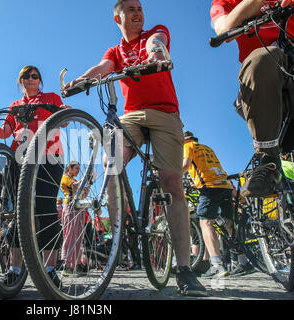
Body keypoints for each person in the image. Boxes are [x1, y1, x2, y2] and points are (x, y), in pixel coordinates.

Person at [64, 0, 206, 296]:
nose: (137, 12)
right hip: (132, 116)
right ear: (117, 17)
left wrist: (156, 53)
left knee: (171, 184)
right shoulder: (115, 51)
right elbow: (103, 67)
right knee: (110, 163)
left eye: (139, 7)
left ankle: (184, 268)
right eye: (130, 8)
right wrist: (81, 80)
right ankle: (118, 233)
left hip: (165, 113)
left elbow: (158, 42)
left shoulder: (155, 31)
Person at [0, 65, 68, 286]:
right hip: (20, 159)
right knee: (19, 213)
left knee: (46, 209)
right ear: (20, 81)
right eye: (26, 76)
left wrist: (64, 110)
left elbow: (65, 120)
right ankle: (14, 268)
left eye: (35, 76)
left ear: (39, 80)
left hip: (49, 157)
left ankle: (50, 269)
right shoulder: (15, 106)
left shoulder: (50, 97)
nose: (31, 79)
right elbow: (5, 133)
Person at [210, 0, 294, 198]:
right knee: (260, 59)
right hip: (267, 77)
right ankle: (269, 160)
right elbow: (223, 28)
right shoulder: (223, 2)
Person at [183, 130, 254, 278]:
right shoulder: (208, 148)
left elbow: (185, 165)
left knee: (206, 223)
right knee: (229, 225)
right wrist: (236, 194)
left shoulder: (187, 147)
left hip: (209, 187)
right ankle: (244, 262)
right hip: (225, 186)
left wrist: (173, 178)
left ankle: (216, 266)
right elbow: (218, 170)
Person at [60, 161, 88, 277]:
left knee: (78, 237)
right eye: (76, 168)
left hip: (79, 208)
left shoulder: (74, 180)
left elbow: (83, 195)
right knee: (70, 235)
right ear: (70, 168)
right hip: (70, 206)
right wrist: (84, 180)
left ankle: (75, 265)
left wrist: (88, 186)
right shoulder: (65, 177)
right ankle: (66, 264)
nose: (77, 171)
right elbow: (74, 186)